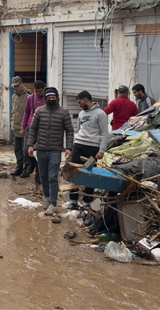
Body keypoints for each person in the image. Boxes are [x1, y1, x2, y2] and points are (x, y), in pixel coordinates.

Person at [26, 87, 73, 217]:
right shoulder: (39, 111)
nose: (51, 99)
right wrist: (30, 145)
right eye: (49, 98)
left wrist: (69, 147)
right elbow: (33, 129)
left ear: (57, 98)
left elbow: (69, 131)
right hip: (41, 149)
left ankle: (53, 203)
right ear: (45, 99)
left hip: (55, 150)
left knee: (53, 177)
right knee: (43, 176)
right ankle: (46, 197)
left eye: (53, 97)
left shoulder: (63, 113)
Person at [64, 91, 109, 210]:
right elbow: (78, 130)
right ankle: (73, 200)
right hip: (78, 145)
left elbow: (105, 133)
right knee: (74, 172)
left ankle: (86, 201)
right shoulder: (81, 114)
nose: (79, 105)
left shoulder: (101, 114)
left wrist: (101, 150)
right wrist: (73, 146)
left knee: (90, 174)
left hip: (92, 148)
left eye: (79, 102)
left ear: (85, 100)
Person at [20, 80, 46, 180]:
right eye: (36, 91)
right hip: (30, 127)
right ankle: (31, 164)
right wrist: (23, 127)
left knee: (40, 152)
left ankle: (39, 174)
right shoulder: (30, 98)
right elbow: (26, 113)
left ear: (43, 89)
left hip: (43, 129)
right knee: (26, 150)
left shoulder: (47, 99)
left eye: (40, 91)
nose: (38, 93)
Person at [9, 76, 29, 177]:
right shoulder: (13, 97)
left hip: (25, 128)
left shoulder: (28, 96)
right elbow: (13, 111)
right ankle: (19, 166)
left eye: (17, 86)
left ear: (21, 83)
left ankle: (27, 168)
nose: (16, 88)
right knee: (18, 149)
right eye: (14, 86)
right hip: (16, 127)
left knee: (26, 149)